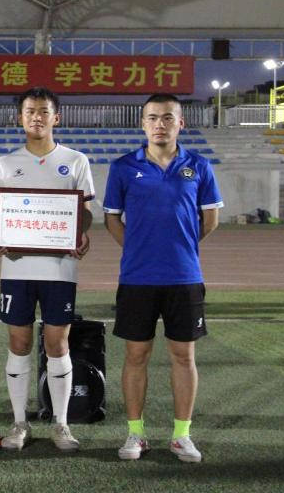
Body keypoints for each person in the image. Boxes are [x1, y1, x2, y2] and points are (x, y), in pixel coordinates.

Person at [103, 93, 223, 463]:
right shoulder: (124, 167)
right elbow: (111, 218)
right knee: (136, 354)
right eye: (153, 117)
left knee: (183, 355)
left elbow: (210, 219)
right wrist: (138, 248)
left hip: (184, 276)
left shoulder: (198, 166)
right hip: (137, 278)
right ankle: (135, 433)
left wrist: (180, 247)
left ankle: (181, 435)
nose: (160, 124)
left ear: (180, 123)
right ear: (143, 124)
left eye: (168, 117)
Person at [0, 87, 94, 452]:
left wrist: (80, 233)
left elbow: (85, 212)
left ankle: (61, 424)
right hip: (16, 268)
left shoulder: (76, 160)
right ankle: (20, 423)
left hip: (60, 268)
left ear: (55, 117)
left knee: (57, 343)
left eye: (44, 111)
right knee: (18, 343)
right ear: (20, 117)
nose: (37, 117)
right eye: (30, 110)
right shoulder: (5, 163)